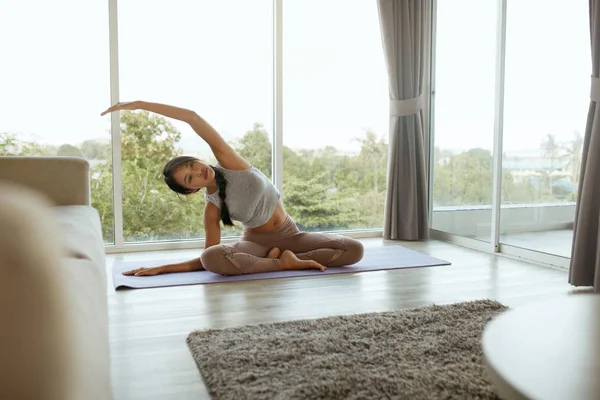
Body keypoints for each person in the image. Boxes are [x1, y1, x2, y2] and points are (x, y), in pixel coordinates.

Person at [101, 101, 364, 277]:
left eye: (193, 165)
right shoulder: (212, 208)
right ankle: (280, 263)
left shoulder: (229, 162)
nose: (197, 172)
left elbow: (193, 118)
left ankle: (285, 258)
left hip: (292, 236)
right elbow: (206, 258)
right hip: (257, 245)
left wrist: (138, 105)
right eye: (190, 179)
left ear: (199, 159)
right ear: (192, 191)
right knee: (215, 258)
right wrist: (161, 269)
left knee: (354, 250)